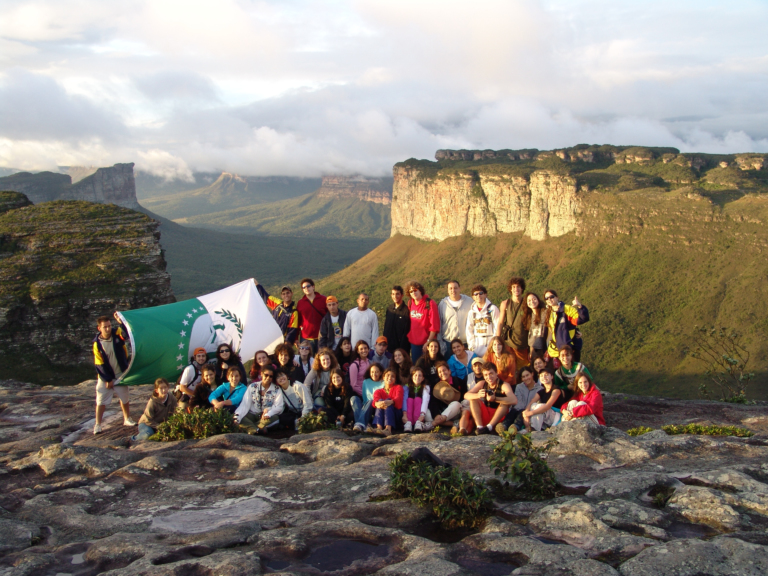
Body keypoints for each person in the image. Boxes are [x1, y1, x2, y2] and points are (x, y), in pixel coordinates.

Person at [92, 313, 134, 434]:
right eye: (105, 327)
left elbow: (127, 335)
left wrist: (120, 321)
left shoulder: (117, 333)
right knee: (100, 401)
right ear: (99, 328)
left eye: (109, 325)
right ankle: (98, 424)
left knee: (124, 398)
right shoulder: (97, 344)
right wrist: (107, 379)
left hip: (120, 373)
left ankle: (127, 418)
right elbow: (99, 364)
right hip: (106, 377)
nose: (108, 328)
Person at [464, 362, 517, 436]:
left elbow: (514, 400)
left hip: (499, 417)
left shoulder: (504, 385)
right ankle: (480, 427)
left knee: (504, 403)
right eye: (486, 375)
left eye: (491, 374)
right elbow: (466, 395)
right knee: (473, 399)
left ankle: (489, 427)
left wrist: (495, 398)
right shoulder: (482, 383)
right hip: (486, 413)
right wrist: (478, 395)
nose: (489, 377)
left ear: (496, 373)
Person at [235, 366, 284, 434]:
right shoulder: (252, 386)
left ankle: (252, 428)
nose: (268, 378)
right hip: (253, 415)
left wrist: (269, 413)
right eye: (266, 375)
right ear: (261, 374)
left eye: (270, 376)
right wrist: (237, 417)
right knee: (238, 417)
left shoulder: (277, 389)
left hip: (266, 417)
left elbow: (279, 407)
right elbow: (245, 404)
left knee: (275, 419)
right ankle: (257, 429)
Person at [544, 290, 589, 363]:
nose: (549, 299)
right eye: (546, 298)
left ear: (557, 298)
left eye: (551, 297)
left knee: (572, 371)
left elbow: (582, 319)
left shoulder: (566, 309)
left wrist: (580, 306)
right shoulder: (549, 312)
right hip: (556, 350)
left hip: (570, 348)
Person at [497, 366, 542, 434]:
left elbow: (538, 403)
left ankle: (515, 427)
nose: (526, 378)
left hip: (530, 412)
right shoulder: (519, 387)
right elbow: (518, 402)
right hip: (518, 409)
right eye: (523, 377)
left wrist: (526, 410)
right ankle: (504, 425)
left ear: (532, 374)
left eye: (527, 375)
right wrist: (521, 409)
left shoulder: (539, 388)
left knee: (522, 413)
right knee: (514, 411)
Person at [497, 277, 530, 367]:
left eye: (518, 286)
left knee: (523, 370)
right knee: (508, 368)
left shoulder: (527, 303)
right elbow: (500, 322)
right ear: (510, 289)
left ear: (522, 288)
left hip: (523, 343)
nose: (516, 289)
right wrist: (497, 339)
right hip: (509, 342)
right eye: (514, 287)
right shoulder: (505, 304)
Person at [254, 280, 300, 345]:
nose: (286, 295)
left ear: (291, 294)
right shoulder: (277, 303)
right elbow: (265, 297)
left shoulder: (294, 312)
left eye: (287, 293)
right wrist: (257, 285)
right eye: (283, 294)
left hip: (282, 341)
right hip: (271, 338)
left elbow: (292, 330)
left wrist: (287, 343)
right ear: (281, 296)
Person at [406, 281, 440, 363]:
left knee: (428, 366)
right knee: (417, 367)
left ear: (420, 290)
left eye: (415, 290)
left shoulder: (430, 303)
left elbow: (434, 326)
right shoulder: (410, 303)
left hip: (427, 343)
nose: (413, 292)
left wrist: (428, 342)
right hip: (414, 343)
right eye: (411, 291)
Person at [427, 361, 467, 431]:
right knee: (427, 414)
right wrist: (436, 415)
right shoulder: (435, 384)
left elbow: (463, 397)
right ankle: (453, 423)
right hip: (440, 411)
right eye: (440, 372)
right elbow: (433, 402)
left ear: (449, 371)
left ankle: (434, 423)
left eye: (444, 370)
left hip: (453, 411)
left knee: (456, 404)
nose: (443, 373)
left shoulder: (458, 381)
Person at [438, 280, 473, 356]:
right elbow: (439, 323)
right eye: (450, 288)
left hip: (465, 343)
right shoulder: (443, 304)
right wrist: (440, 342)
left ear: (459, 289)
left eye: (455, 288)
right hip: (448, 343)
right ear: (447, 290)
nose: (453, 290)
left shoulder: (469, 301)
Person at [466, 284, 499, 357]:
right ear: (473, 297)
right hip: (477, 346)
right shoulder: (472, 312)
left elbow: (497, 327)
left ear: (485, 294)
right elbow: (469, 329)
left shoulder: (492, 309)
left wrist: (493, 344)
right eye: (476, 294)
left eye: (481, 293)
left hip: (490, 345)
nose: (478, 296)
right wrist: (472, 346)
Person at [296, 278, 328, 354]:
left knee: (322, 359)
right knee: (306, 360)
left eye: (308, 286)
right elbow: (297, 321)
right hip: (306, 338)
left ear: (313, 287)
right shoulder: (300, 303)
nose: (306, 288)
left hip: (322, 337)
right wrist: (296, 338)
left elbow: (329, 317)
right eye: (304, 287)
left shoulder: (323, 299)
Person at [352, 362, 385, 432]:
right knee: (354, 398)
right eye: (372, 372)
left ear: (381, 373)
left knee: (371, 401)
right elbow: (364, 398)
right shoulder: (365, 382)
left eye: (376, 372)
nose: (374, 374)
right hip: (366, 405)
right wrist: (365, 407)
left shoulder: (383, 382)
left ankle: (359, 424)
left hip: (376, 407)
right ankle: (364, 424)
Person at [372, 368, 404, 436]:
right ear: (383, 377)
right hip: (382, 417)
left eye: (392, 376)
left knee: (388, 401)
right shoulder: (378, 391)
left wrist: (389, 402)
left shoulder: (398, 387)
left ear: (395, 379)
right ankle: (379, 428)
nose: (390, 377)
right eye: (388, 375)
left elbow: (398, 401)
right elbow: (375, 402)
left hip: (395, 416)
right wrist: (379, 403)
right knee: (380, 401)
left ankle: (388, 429)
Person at [523, 292, 549, 366]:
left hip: (545, 347)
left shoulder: (545, 312)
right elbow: (531, 336)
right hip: (534, 349)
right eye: (529, 300)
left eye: (534, 299)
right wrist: (531, 351)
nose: (532, 302)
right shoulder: (528, 316)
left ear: (538, 300)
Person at [383, 285, 410, 354]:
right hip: (388, 348)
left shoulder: (406, 311)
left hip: (400, 349)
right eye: (393, 294)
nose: (395, 296)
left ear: (402, 295)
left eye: (397, 294)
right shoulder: (389, 309)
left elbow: (406, 331)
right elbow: (386, 327)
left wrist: (402, 349)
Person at [404, 366, 431, 432]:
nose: (417, 377)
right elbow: (404, 400)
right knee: (409, 400)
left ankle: (418, 422)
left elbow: (425, 399)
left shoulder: (425, 387)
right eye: (415, 375)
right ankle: (408, 422)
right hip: (409, 411)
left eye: (420, 376)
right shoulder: (406, 387)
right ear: (412, 377)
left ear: (423, 378)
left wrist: (422, 413)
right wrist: (404, 414)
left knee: (418, 399)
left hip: (422, 411)